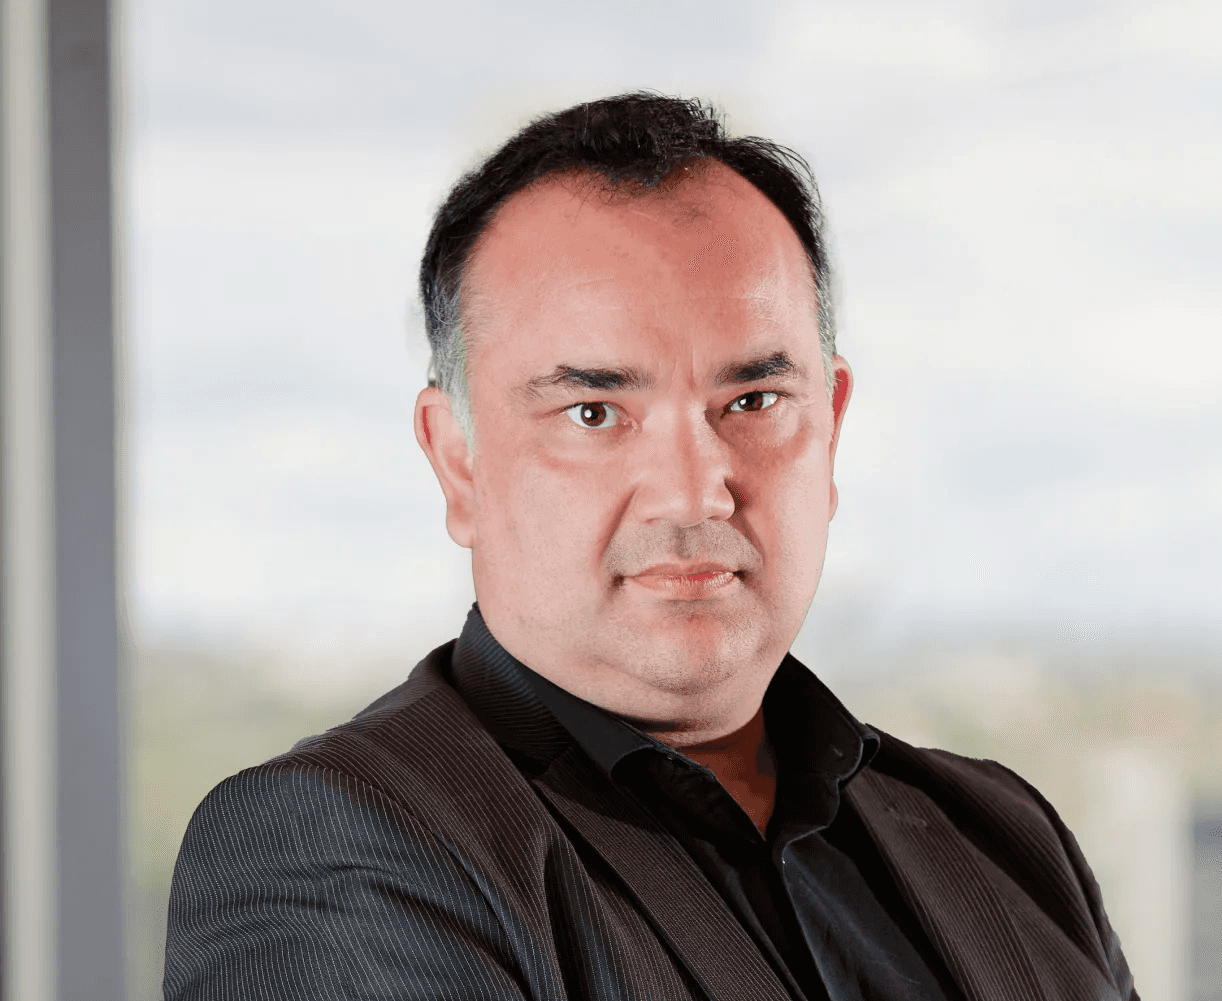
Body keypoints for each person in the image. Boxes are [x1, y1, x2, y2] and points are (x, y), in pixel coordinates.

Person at [163, 93, 1138, 1001]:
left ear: (830, 428)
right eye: (595, 412)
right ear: (459, 461)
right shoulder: (329, 850)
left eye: (752, 400)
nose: (694, 487)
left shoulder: (1003, 835)